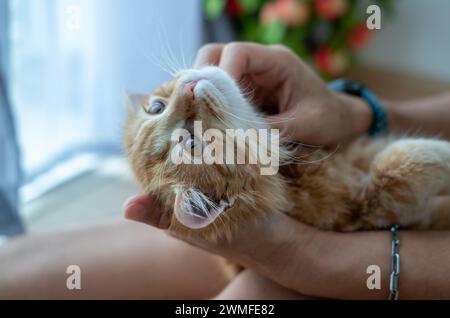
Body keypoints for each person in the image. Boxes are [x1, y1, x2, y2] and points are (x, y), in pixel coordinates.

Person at [1, 42, 450, 299]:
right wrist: (358, 112)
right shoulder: (249, 175)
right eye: (159, 108)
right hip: (278, 204)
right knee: (15, 267)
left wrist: (315, 260)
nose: (185, 94)